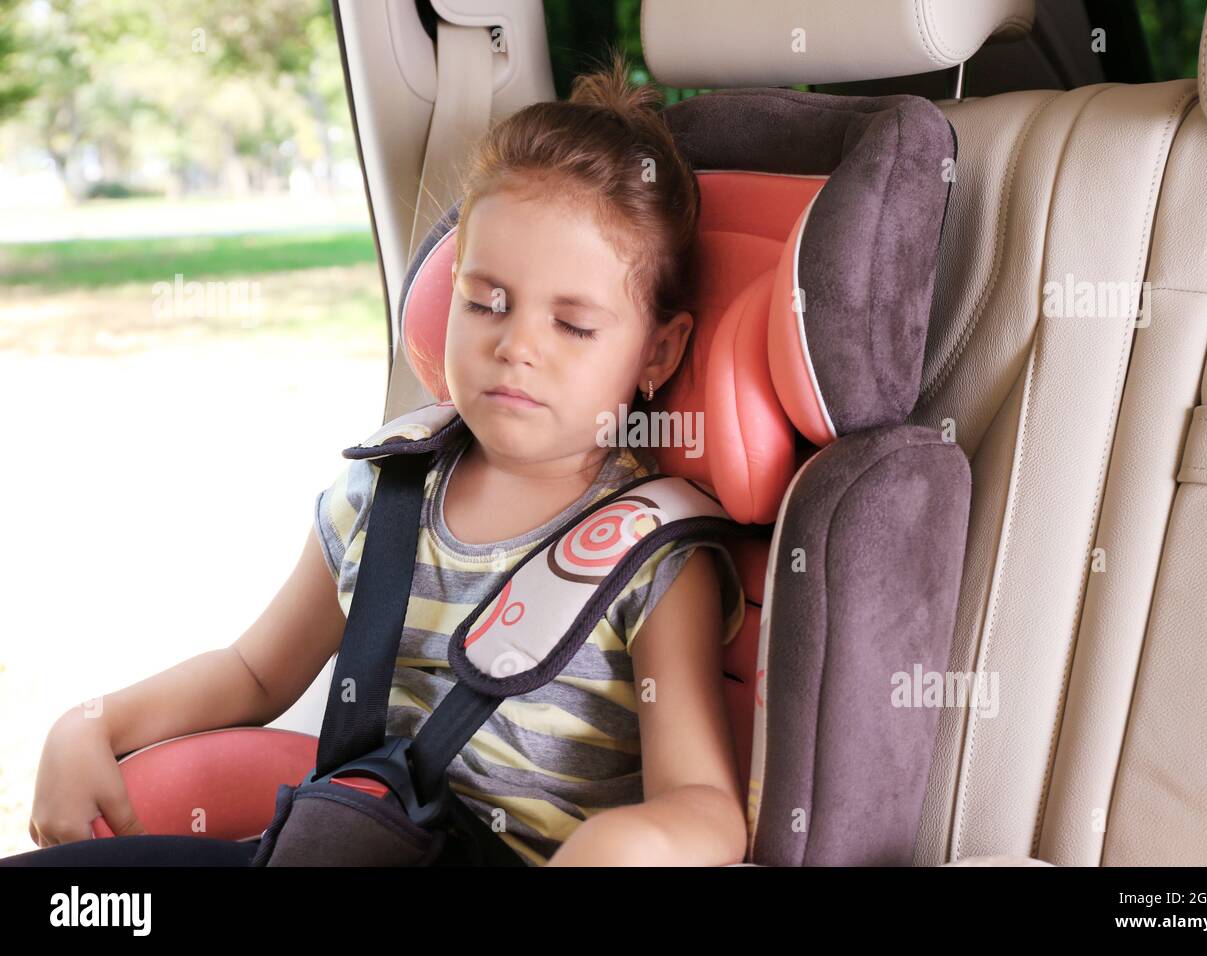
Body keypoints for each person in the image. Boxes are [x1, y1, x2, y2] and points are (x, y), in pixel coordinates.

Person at [2, 49, 749, 868]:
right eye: (485, 301)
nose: (516, 347)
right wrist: (94, 723)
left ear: (658, 350)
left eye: (573, 324)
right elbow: (255, 673)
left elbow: (704, 805)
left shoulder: (650, 560)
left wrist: (622, 846)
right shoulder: (383, 487)